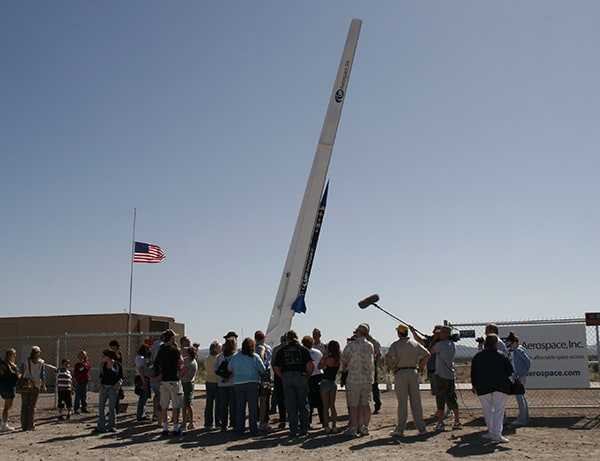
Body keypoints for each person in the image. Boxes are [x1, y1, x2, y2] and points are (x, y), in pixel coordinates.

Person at [385, 324, 431, 437]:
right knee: (416, 401)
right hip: (413, 372)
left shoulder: (396, 345)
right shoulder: (415, 344)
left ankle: (400, 429)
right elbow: (427, 354)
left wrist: (393, 369)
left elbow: (388, 357)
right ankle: (421, 428)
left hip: (401, 373)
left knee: (402, 402)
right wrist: (420, 368)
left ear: (399, 333)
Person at [471, 334, 514, 443]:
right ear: (496, 344)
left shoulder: (478, 357)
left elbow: (473, 373)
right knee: (498, 410)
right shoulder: (502, 356)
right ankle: (496, 433)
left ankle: (491, 431)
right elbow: (509, 371)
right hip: (500, 386)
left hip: (483, 386)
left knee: (487, 410)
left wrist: (474, 385)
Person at [272, 330, 314, 438]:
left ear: (287, 338)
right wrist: (307, 376)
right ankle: (304, 428)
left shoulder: (282, 350)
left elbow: (275, 366)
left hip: (287, 377)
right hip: (300, 376)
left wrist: (282, 376)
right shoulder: (303, 350)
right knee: (303, 403)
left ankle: (293, 429)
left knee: (290, 404)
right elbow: (311, 365)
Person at [341, 323, 375, 437]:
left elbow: (344, 358)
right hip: (367, 378)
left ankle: (353, 427)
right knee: (366, 404)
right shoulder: (370, 345)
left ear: (358, 332)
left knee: (353, 405)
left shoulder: (352, 345)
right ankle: (365, 427)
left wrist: (344, 369)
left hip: (354, 378)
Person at [228, 337, 266, 436]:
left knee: (240, 407)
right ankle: (253, 429)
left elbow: (229, 368)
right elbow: (262, 369)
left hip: (238, 383)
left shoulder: (235, 357)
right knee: (253, 408)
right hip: (252, 383)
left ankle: (240, 429)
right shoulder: (255, 357)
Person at [430, 325, 462, 431]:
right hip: (450, 375)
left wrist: (434, 339)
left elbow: (430, 351)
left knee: (440, 398)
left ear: (444, 334)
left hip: (441, 375)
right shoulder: (451, 344)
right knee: (452, 398)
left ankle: (440, 422)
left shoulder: (440, 344)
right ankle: (457, 421)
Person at [154, 328, 184, 436]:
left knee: (164, 405)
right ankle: (175, 428)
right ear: (172, 338)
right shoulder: (174, 351)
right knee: (176, 405)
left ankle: (165, 427)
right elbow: (180, 361)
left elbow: (157, 363)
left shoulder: (161, 351)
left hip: (164, 380)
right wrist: (178, 350)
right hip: (174, 379)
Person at [506, 331, 532, 426]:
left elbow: (528, 362)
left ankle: (523, 418)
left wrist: (524, 371)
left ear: (515, 342)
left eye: (511, 343)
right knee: (521, 396)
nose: (510, 346)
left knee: (520, 396)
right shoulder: (512, 352)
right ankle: (524, 417)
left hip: (520, 375)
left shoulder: (519, 351)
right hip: (516, 375)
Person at [94, 349, 123, 433]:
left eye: (104, 356)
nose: (102, 358)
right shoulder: (103, 365)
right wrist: (100, 384)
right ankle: (101, 426)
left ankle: (112, 426)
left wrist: (116, 386)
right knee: (101, 407)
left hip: (112, 389)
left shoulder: (117, 365)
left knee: (111, 408)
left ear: (108, 357)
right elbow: (101, 375)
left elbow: (121, 377)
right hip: (103, 388)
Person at [20, 346, 47, 431]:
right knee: (32, 406)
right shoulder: (41, 362)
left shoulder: (25, 361)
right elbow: (42, 375)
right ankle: (30, 425)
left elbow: (21, 371)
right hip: (35, 385)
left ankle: (24, 425)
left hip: (26, 385)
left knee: (24, 405)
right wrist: (43, 385)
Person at [318, 340, 341, 434]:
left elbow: (319, 366)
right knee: (332, 405)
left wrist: (324, 355)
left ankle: (326, 426)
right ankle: (334, 425)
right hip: (333, 382)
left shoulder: (328, 359)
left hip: (325, 382)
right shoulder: (338, 360)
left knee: (325, 406)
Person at [216, 337, 237, 432]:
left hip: (222, 383)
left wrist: (223, 377)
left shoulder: (220, 356)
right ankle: (234, 423)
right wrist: (229, 377)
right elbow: (236, 370)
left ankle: (223, 425)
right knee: (233, 404)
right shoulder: (236, 356)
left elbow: (216, 369)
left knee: (223, 405)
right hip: (232, 383)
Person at [302, 335, 324, 427]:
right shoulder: (318, 352)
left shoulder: (303, 352)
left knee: (309, 399)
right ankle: (323, 420)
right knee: (320, 400)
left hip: (309, 376)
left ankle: (308, 421)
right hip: (319, 375)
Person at [254, 330, 272, 431]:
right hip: (265, 373)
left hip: (255, 373)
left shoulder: (252, 349)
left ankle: (256, 420)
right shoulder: (267, 348)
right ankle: (264, 420)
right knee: (264, 398)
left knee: (255, 398)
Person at [0, 348, 20, 432]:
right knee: (8, 407)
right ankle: (4, 424)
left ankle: (4, 422)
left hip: (2, 385)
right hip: (9, 386)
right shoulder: (11, 366)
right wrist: (20, 374)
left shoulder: (2, 364)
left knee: (6, 407)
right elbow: (15, 377)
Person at [204, 340, 222, 430]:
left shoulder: (207, 358)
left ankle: (208, 423)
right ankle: (218, 423)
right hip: (216, 381)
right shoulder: (218, 358)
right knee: (218, 404)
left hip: (208, 381)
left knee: (209, 403)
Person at [270, 334, 287, 428]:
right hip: (287, 374)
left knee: (280, 398)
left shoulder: (276, 349)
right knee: (290, 397)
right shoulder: (289, 349)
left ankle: (282, 419)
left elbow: (273, 363)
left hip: (278, 374)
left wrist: (277, 373)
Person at [180, 346, 198, 429]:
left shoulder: (189, 363)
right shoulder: (192, 361)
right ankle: (187, 421)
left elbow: (182, 373)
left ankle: (187, 422)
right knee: (186, 403)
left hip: (186, 383)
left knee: (186, 404)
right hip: (188, 383)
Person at [366, 331, 382, 414]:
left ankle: (377, 404)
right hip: (366, 364)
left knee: (374, 385)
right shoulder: (374, 341)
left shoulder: (373, 341)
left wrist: (374, 362)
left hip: (370, 364)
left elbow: (378, 354)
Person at [134, 344, 151, 422]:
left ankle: (142, 413)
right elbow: (141, 370)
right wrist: (144, 381)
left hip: (140, 377)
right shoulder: (141, 358)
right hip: (142, 377)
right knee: (143, 396)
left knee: (144, 397)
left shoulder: (139, 357)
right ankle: (140, 414)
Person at [73, 350, 91, 414]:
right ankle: (76, 408)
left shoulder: (87, 363)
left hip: (85, 381)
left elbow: (87, 368)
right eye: (80, 356)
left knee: (84, 395)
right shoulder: (77, 365)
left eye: (83, 356)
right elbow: (75, 375)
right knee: (78, 395)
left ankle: (84, 408)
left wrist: (83, 363)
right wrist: (76, 382)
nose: (81, 358)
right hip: (79, 382)